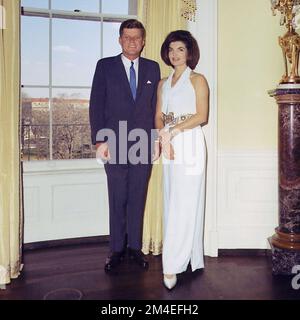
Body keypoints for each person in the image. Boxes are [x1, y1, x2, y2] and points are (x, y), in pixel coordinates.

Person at [89, 19, 161, 272]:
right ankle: (117, 249)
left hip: (143, 142)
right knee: (117, 197)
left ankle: (135, 248)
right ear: (120, 40)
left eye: (137, 37)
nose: (132, 42)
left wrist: (156, 140)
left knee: (137, 197)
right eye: (127, 37)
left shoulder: (153, 68)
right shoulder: (105, 66)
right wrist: (100, 140)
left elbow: (155, 109)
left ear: (143, 41)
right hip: (113, 140)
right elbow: (96, 104)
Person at [152, 30, 209, 289]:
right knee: (173, 200)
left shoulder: (198, 79)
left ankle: (172, 265)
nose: (175, 54)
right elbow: (158, 116)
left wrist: (172, 132)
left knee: (185, 204)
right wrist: (162, 138)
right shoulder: (163, 83)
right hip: (169, 143)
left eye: (181, 50)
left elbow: (201, 116)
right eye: (171, 49)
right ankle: (189, 258)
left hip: (190, 143)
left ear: (189, 53)